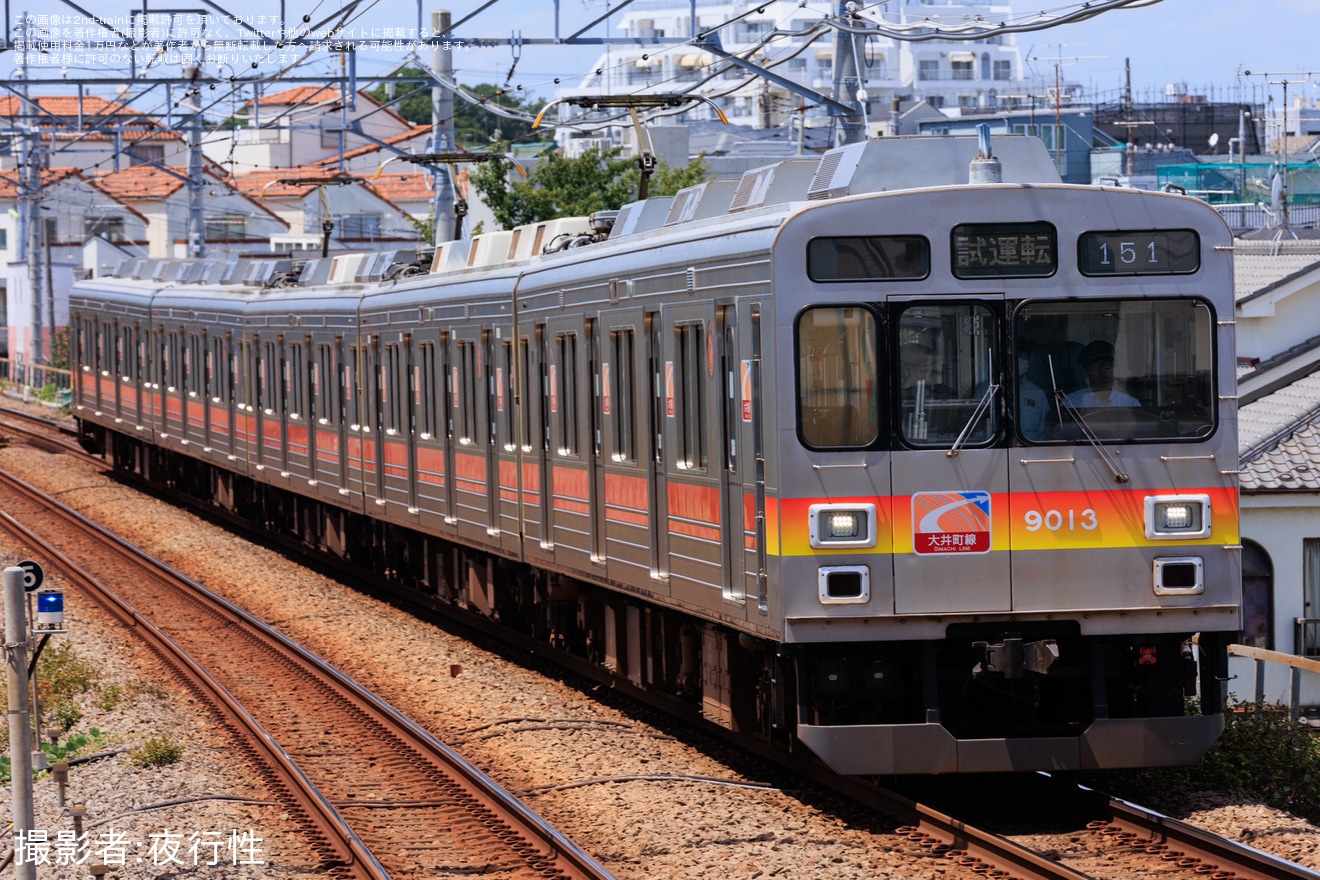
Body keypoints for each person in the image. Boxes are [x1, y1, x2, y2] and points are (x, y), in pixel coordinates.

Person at [1066, 340, 1139, 408]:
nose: (1102, 371)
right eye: (1095, 367)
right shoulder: (1072, 402)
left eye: (1106, 365)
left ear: (1113, 369)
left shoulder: (1130, 403)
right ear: (1085, 372)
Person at [1017, 343, 1051, 441]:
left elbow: (1045, 433)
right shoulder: (985, 391)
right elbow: (978, 433)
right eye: (1015, 355)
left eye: (1022, 356)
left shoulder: (1037, 393)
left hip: (1031, 453)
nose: (1018, 359)